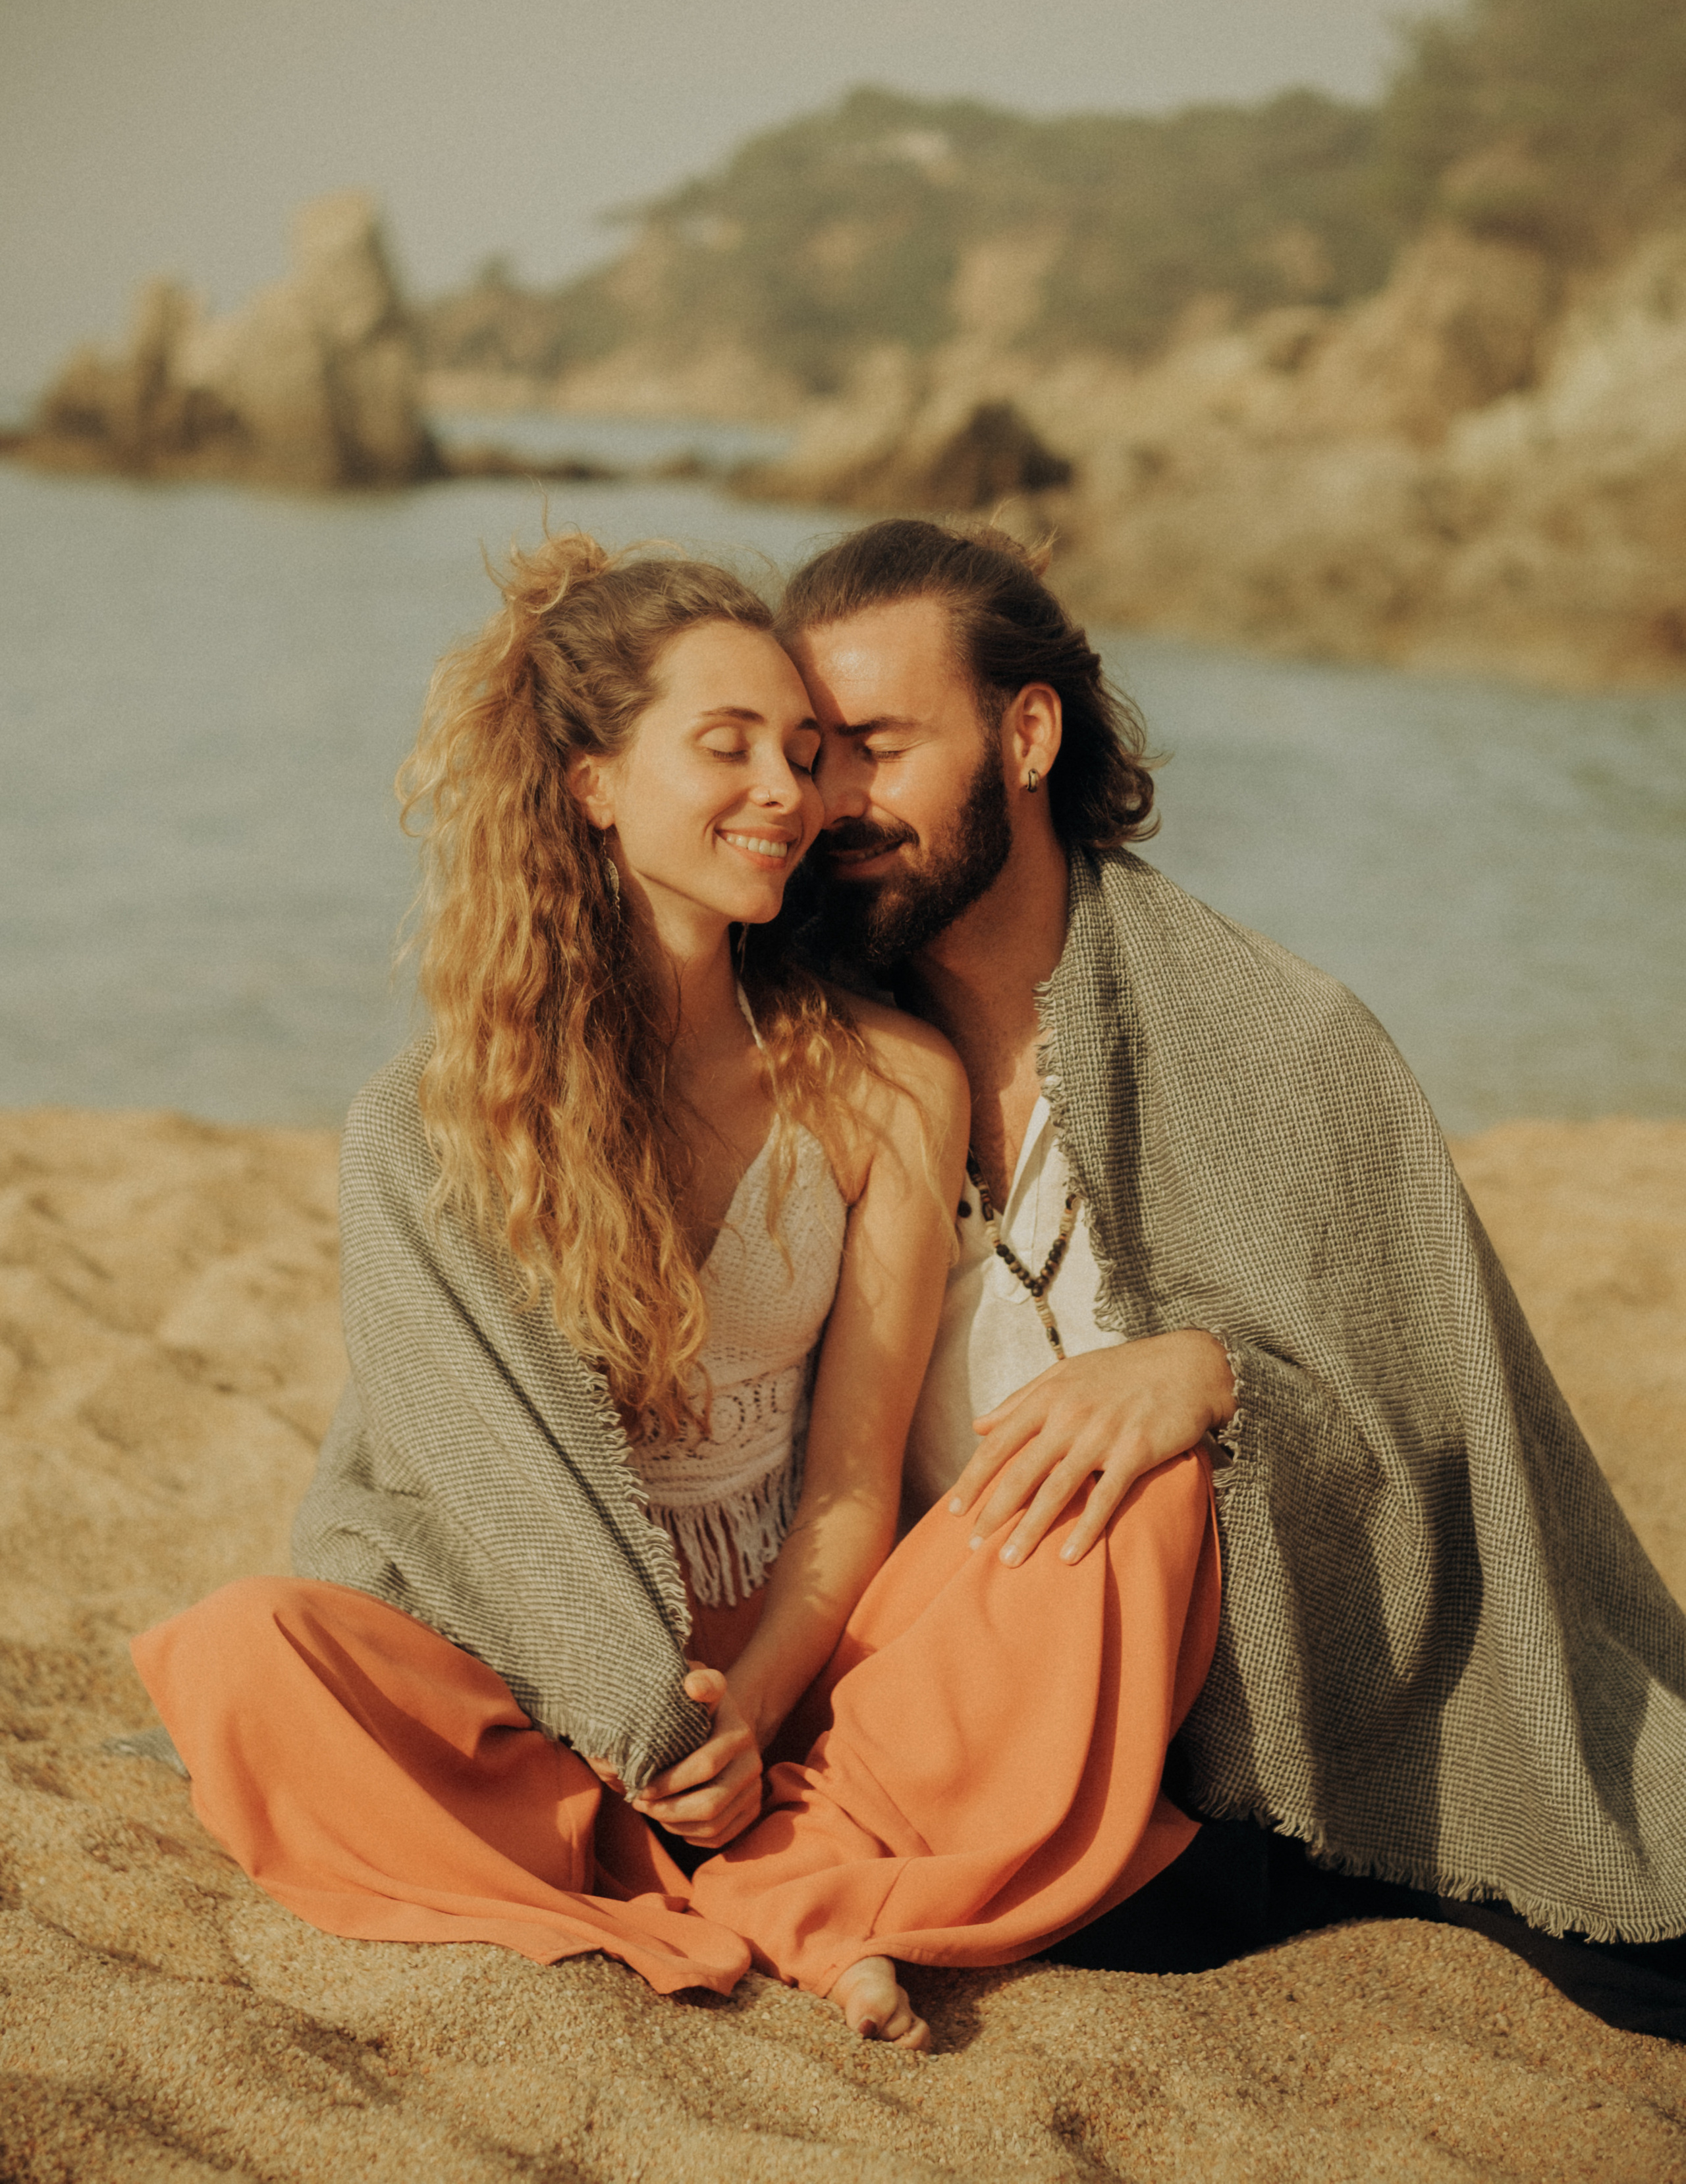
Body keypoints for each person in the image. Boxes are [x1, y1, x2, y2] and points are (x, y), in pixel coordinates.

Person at [130, 532, 1220, 2053]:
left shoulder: (888, 1085)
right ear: (593, 785)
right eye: (729, 749)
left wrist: (752, 1709)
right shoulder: (446, 1122)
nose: (790, 794)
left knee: (1134, 1500)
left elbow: (850, 1486)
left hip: (810, 1675)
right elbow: (482, 1490)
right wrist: (638, 1712)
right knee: (252, 1649)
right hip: (541, 1674)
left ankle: (758, 1854)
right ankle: (761, 1877)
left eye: (803, 750)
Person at [774, 515, 1686, 2024]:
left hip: (1199, 1724)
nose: (838, 804)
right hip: (924, 1666)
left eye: (877, 743)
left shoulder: (1278, 1040)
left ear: (1026, 733)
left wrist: (1215, 1375)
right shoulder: (807, 1038)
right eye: (817, 756)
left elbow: (1427, 1446)